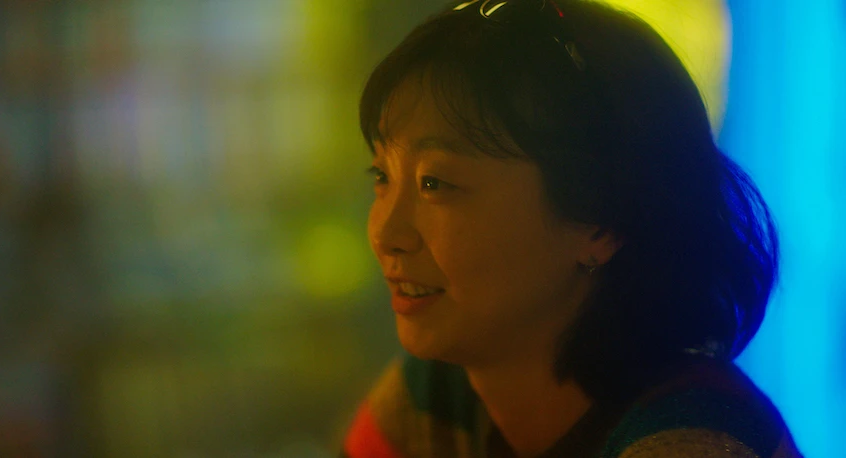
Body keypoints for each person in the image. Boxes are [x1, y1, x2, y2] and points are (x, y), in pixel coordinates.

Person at [340, 0, 803, 457]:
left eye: (434, 183)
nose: (386, 235)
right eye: (382, 176)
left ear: (600, 222)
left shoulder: (692, 438)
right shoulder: (435, 398)